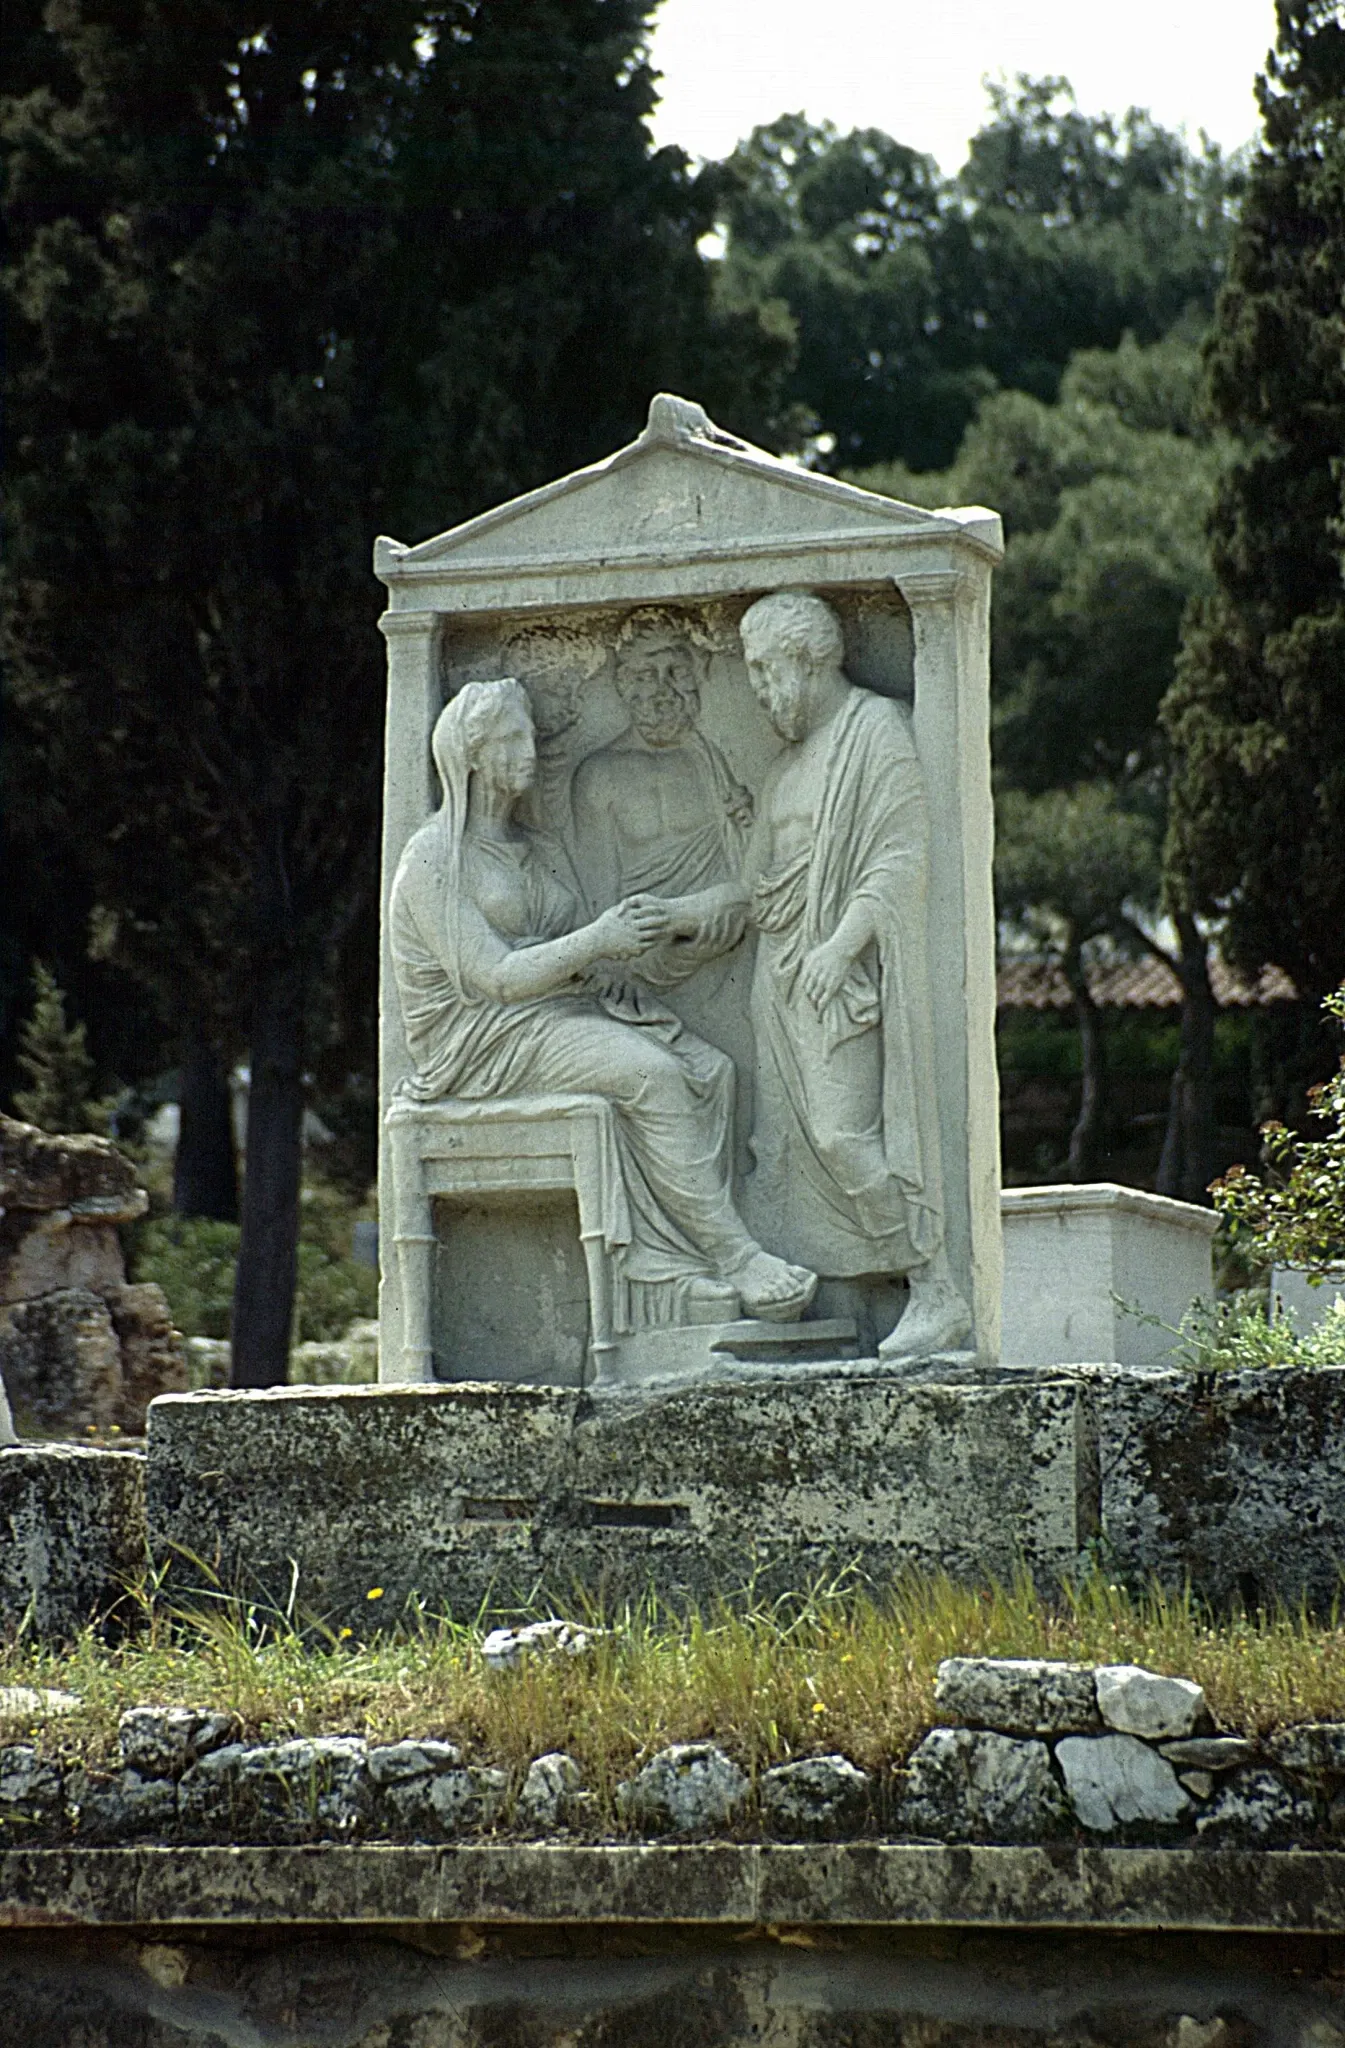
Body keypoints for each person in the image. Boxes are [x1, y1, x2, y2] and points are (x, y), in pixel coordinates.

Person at [388, 676, 816, 1324]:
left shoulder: (533, 848)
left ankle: (672, 1274)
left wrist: (666, 927)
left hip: (555, 1014)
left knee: (713, 1069)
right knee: (652, 1074)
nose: (526, 748)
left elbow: (581, 948)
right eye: (509, 737)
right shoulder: (432, 858)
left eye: (528, 732)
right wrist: (597, 938)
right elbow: (496, 977)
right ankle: (735, 1256)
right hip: (480, 1041)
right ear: (470, 756)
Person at [737, 590, 972, 1359]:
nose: (763, 694)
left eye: (766, 674)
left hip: (840, 982)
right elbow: (754, 888)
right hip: (779, 983)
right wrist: (666, 918)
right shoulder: (786, 768)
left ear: (808, 660)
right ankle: (817, 1305)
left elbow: (901, 857)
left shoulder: (876, 730)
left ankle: (933, 1285)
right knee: (780, 1150)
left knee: (844, 1138)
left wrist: (839, 946)